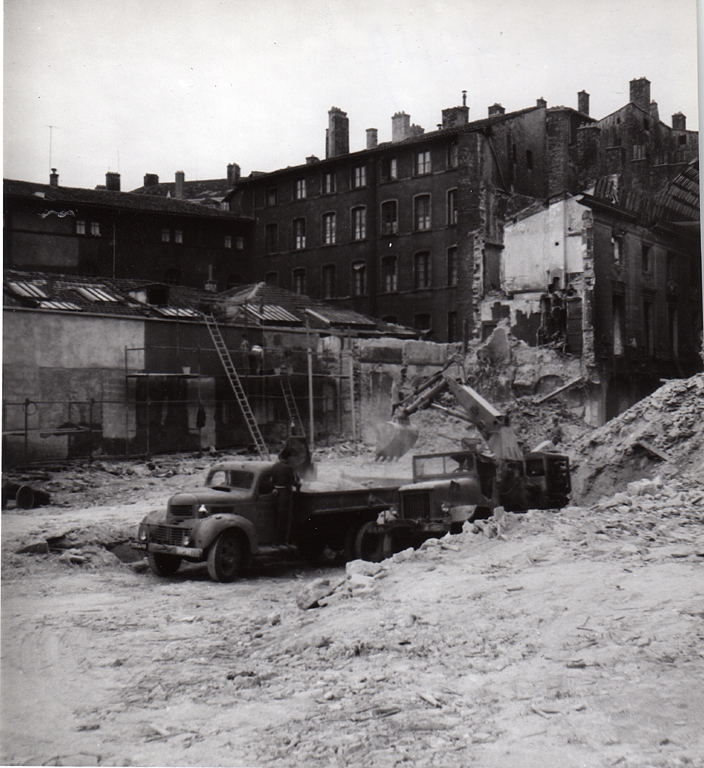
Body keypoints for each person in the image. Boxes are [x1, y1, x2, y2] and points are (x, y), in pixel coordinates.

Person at [272, 449, 301, 545]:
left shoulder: (275, 466)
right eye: (290, 457)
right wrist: (299, 484)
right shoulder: (288, 468)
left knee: (278, 518)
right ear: (288, 458)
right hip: (285, 495)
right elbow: (293, 482)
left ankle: (276, 541)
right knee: (285, 519)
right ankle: (282, 542)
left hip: (276, 494)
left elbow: (272, 481)